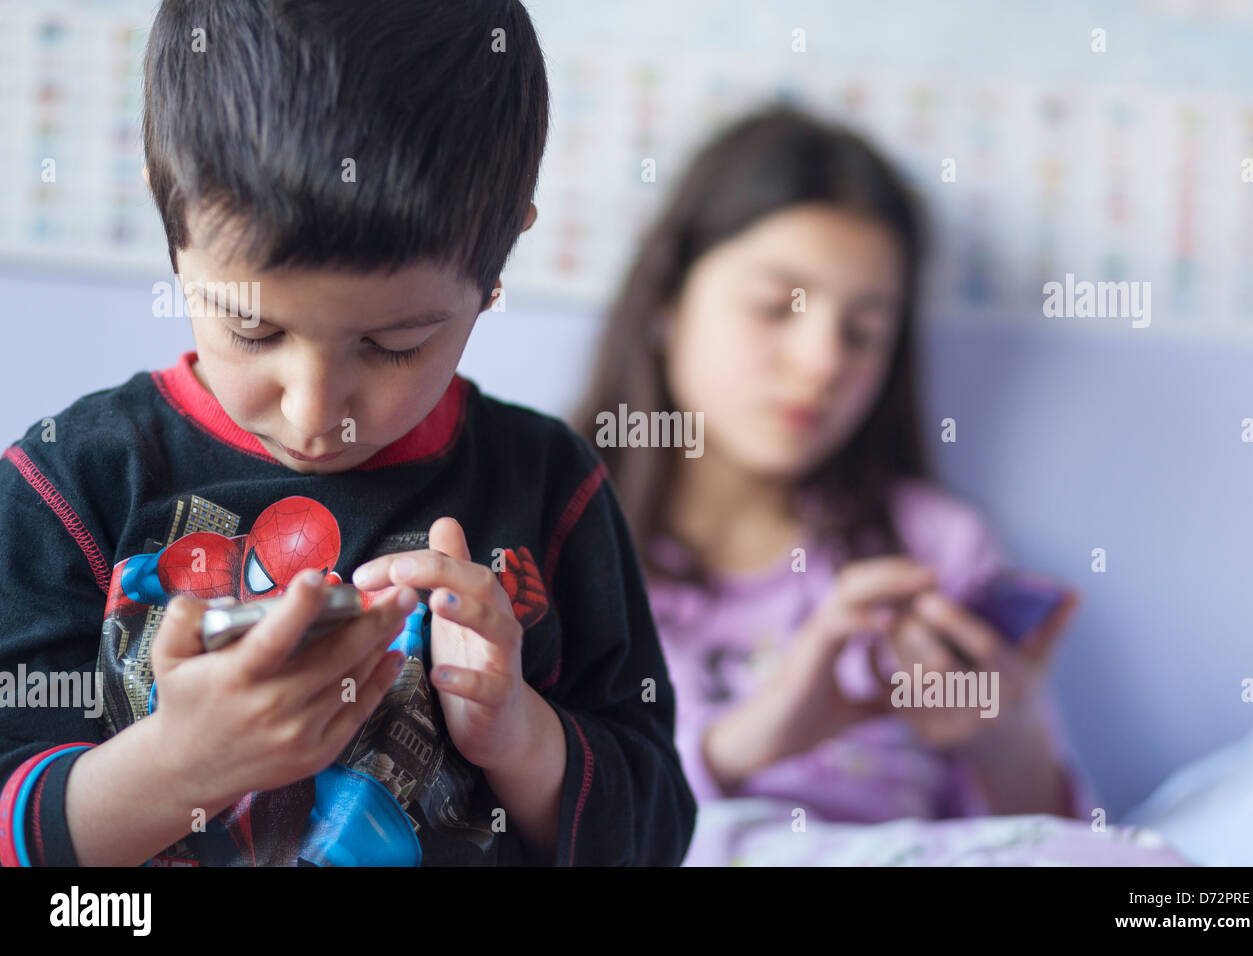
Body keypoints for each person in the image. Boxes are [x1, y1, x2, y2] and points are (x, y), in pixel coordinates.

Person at [0, 0, 694, 868]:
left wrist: (520, 735)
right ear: (167, 206)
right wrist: (175, 769)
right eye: (255, 332)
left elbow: (658, 829)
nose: (315, 412)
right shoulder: (73, 483)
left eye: (393, 345)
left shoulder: (551, 487)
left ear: (499, 261)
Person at [570, 106, 1096, 834]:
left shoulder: (935, 551)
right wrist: (748, 742)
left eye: (864, 332)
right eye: (773, 308)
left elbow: (1052, 847)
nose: (822, 363)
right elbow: (528, 819)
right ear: (668, 300)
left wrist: (1006, 738)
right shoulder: (554, 527)